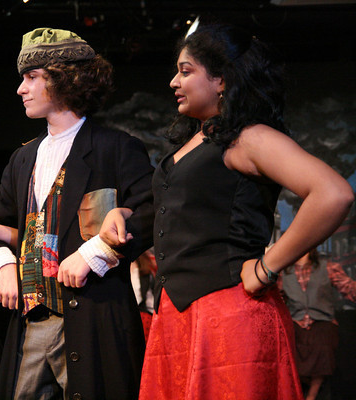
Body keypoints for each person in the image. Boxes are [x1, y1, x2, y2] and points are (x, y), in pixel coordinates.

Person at [99, 23, 354, 399]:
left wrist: (267, 267)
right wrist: (123, 214)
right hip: (177, 317)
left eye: (186, 71)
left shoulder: (249, 138)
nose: (173, 82)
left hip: (229, 315)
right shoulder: (196, 141)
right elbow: (179, 210)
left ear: (221, 80)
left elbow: (333, 193)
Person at [0, 28, 154, 399]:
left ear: (65, 80)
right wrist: (5, 266)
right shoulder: (24, 158)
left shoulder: (115, 149)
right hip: (31, 322)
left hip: (94, 319)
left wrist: (94, 253)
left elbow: (153, 211)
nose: (21, 89)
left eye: (32, 77)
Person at [280, 248, 356, 400]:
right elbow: (278, 298)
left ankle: (311, 396)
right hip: (296, 320)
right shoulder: (283, 273)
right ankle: (301, 389)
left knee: (323, 343)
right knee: (288, 345)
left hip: (322, 319)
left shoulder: (327, 267)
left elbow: (348, 287)